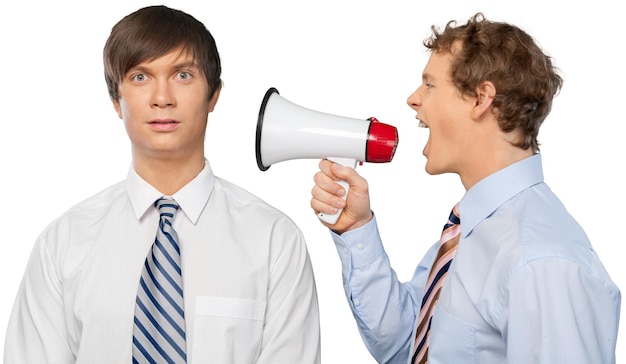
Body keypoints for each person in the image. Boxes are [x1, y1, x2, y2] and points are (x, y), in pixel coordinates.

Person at [4, 5, 320, 364]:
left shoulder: (274, 241)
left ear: (214, 94)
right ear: (116, 101)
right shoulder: (62, 245)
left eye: (183, 75)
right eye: (140, 77)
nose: (162, 98)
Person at [310, 13, 620, 364]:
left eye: (429, 85)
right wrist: (356, 227)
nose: (413, 99)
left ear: (480, 99)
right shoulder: (469, 229)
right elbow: (405, 345)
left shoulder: (542, 262)